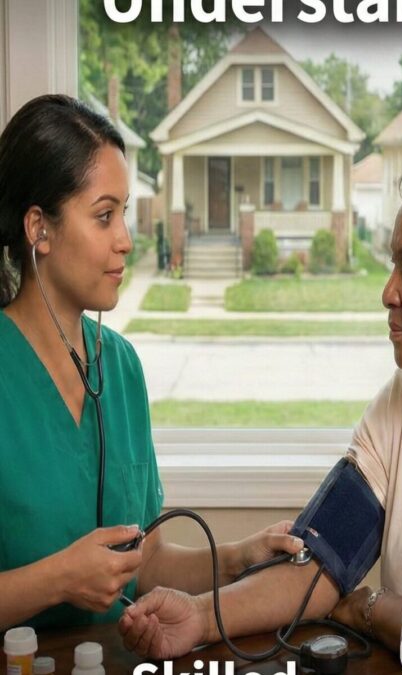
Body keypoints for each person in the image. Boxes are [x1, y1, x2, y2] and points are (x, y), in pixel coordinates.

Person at [118, 141, 402, 656]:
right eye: (392, 265)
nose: (387, 291)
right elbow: (319, 566)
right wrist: (200, 618)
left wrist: (365, 607)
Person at [0, 94, 302, 631]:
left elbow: (148, 565)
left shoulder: (122, 368)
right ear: (38, 229)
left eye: (125, 215)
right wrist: (59, 579)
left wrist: (238, 557)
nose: (125, 241)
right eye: (104, 216)